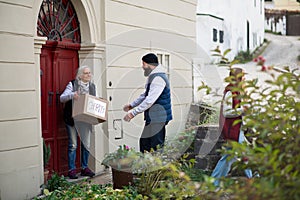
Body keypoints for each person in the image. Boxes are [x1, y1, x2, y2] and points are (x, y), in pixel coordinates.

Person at [123, 53, 172, 153]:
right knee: (145, 143)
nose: (142, 67)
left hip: (158, 117)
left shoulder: (158, 79)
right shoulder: (153, 76)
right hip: (154, 116)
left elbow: (150, 100)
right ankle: (146, 166)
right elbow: (145, 94)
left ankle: (156, 168)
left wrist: (133, 113)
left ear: (149, 64)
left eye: (143, 64)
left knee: (155, 146)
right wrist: (132, 105)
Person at [211, 67, 252, 186]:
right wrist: (242, 110)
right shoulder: (230, 92)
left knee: (228, 158)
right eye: (243, 77)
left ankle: (214, 183)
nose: (245, 79)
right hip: (233, 129)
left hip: (238, 129)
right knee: (245, 154)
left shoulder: (239, 91)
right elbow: (226, 112)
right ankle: (253, 179)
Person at [60, 66, 96, 179]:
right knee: (73, 145)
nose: (88, 75)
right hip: (72, 119)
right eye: (86, 73)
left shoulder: (92, 86)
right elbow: (62, 98)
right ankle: (71, 170)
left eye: (89, 73)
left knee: (87, 145)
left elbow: (96, 100)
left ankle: (84, 168)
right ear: (80, 75)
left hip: (86, 120)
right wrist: (72, 95)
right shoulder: (72, 84)